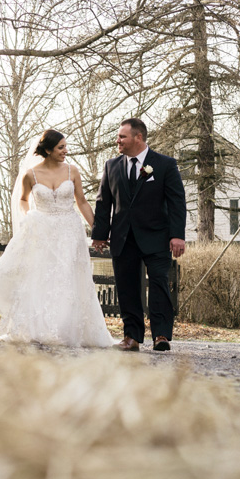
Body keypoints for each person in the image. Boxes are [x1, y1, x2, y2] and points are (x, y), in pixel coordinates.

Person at [0, 129, 114, 348]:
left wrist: (97, 229)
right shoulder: (31, 174)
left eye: (66, 146)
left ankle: (69, 329)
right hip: (43, 230)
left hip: (69, 230)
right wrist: (28, 218)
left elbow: (82, 201)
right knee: (42, 276)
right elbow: (22, 199)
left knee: (69, 277)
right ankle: (41, 327)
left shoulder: (72, 171)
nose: (66, 151)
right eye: (61, 147)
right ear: (47, 150)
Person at [91, 118, 186, 352]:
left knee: (159, 285)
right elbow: (104, 203)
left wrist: (177, 235)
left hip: (156, 237)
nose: (118, 141)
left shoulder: (164, 164)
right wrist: (100, 235)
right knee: (127, 288)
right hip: (123, 238)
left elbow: (176, 202)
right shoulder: (111, 166)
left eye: (122, 136)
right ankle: (131, 337)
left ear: (138, 138)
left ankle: (161, 335)